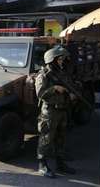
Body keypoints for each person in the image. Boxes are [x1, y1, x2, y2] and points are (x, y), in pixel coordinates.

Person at [35, 47, 76, 178]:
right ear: (52, 60)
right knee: (46, 138)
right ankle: (42, 165)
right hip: (50, 112)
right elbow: (40, 94)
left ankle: (60, 163)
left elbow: (68, 86)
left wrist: (70, 95)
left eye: (62, 59)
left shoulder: (61, 73)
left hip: (62, 109)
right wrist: (54, 88)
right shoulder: (43, 75)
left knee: (61, 138)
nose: (61, 61)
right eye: (59, 59)